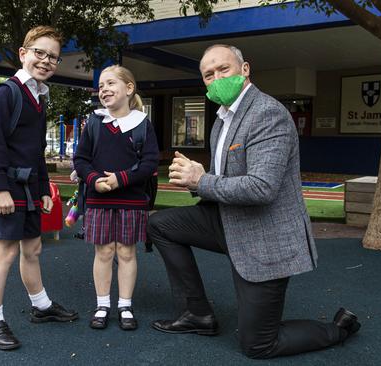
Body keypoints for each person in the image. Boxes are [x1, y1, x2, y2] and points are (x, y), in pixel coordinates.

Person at [147, 45, 360, 359]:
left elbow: (261, 188)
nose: (216, 78)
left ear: (245, 69)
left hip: (264, 236)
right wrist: (201, 177)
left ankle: (339, 329)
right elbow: (227, 179)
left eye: (224, 70)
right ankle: (197, 314)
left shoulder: (267, 113)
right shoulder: (222, 119)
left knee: (258, 344)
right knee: (159, 225)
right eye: (208, 75)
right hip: (226, 220)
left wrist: (200, 180)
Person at [0, 26, 78, 351]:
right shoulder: (6, 93)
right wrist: (0, 189)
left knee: (32, 249)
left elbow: (34, 152)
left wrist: (45, 190)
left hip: (30, 190)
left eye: (53, 56)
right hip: (7, 187)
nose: (46, 60)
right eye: (40, 52)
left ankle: (42, 305)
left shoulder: (37, 97)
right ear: (23, 53)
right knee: (5, 253)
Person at [74, 65, 159, 331]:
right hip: (99, 200)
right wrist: (94, 180)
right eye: (101, 86)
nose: (104, 90)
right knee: (104, 252)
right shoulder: (94, 123)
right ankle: (102, 304)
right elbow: (81, 159)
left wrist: (120, 179)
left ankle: (124, 304)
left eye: (111, 84)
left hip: (132, 199)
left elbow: (150, 163)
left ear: (129, 89)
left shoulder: (142, 125)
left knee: (125, 252)